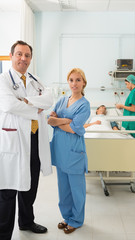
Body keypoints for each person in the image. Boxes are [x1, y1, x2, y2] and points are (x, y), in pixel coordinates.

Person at [0, 40, 53, 240]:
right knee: (7, 190)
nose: (23, 58)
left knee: (30, 186)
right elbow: (8, 105)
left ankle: (26, 222)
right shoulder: (3, 80)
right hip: (13, 139)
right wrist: (34, 107)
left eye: (27, 55)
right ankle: (4, 233)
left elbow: (49, 99)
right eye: (19, 54)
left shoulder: (34, 79)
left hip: (34, 138)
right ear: (12, 56)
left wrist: (25, 101)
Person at [48, 68, 90, 234]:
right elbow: (50, 120)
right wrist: (63, 120)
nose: (74, 83)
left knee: (76, 189)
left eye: (78, 80)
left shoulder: (84, 105)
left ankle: (77, 220)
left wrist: (58, 121)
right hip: (60, 150)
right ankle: (67, 217)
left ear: (83, 83)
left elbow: (74, 128)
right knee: (63, 188)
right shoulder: (62, 100)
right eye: (71, 80)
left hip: (74, 152)